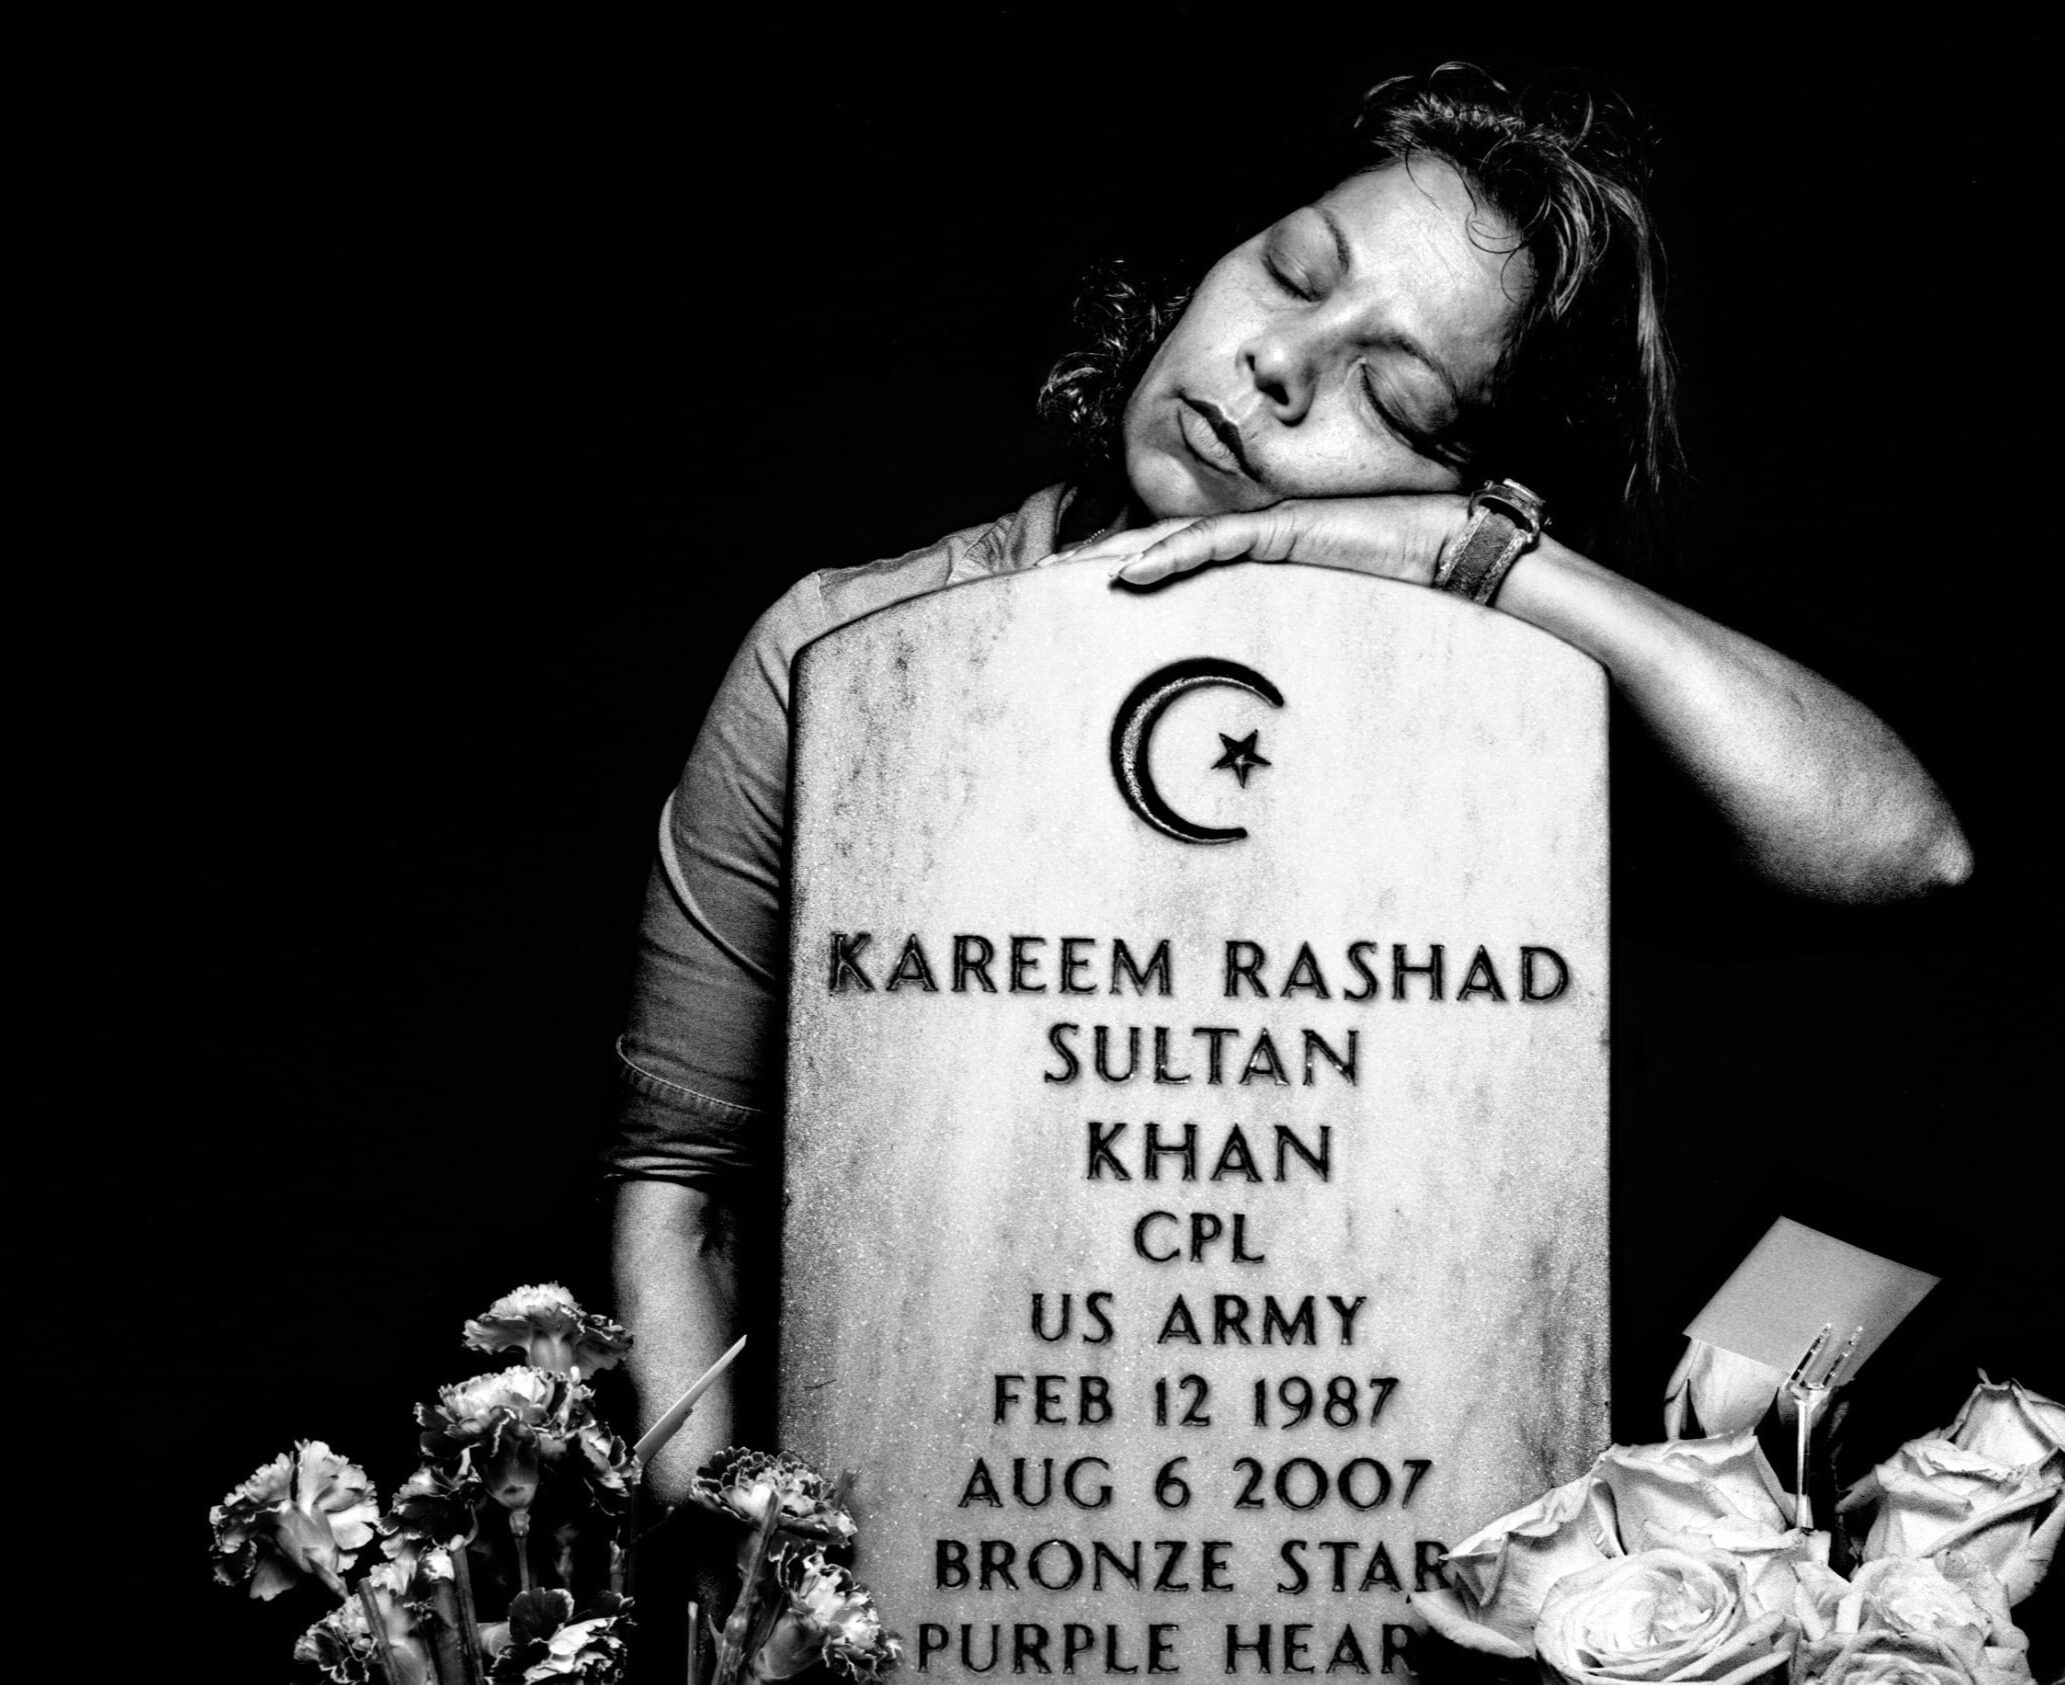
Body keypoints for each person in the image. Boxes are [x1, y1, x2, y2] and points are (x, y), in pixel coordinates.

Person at [606, 64, 1969, 1516]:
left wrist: (1488, 559)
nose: (1277, 367)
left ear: (1462, 473)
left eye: (1391, 390)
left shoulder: (1495, 729)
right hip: (928, 1542)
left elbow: (1902, 850)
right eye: (1289, 274)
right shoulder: (834, 655)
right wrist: (740, 1585)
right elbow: (680, 1196)